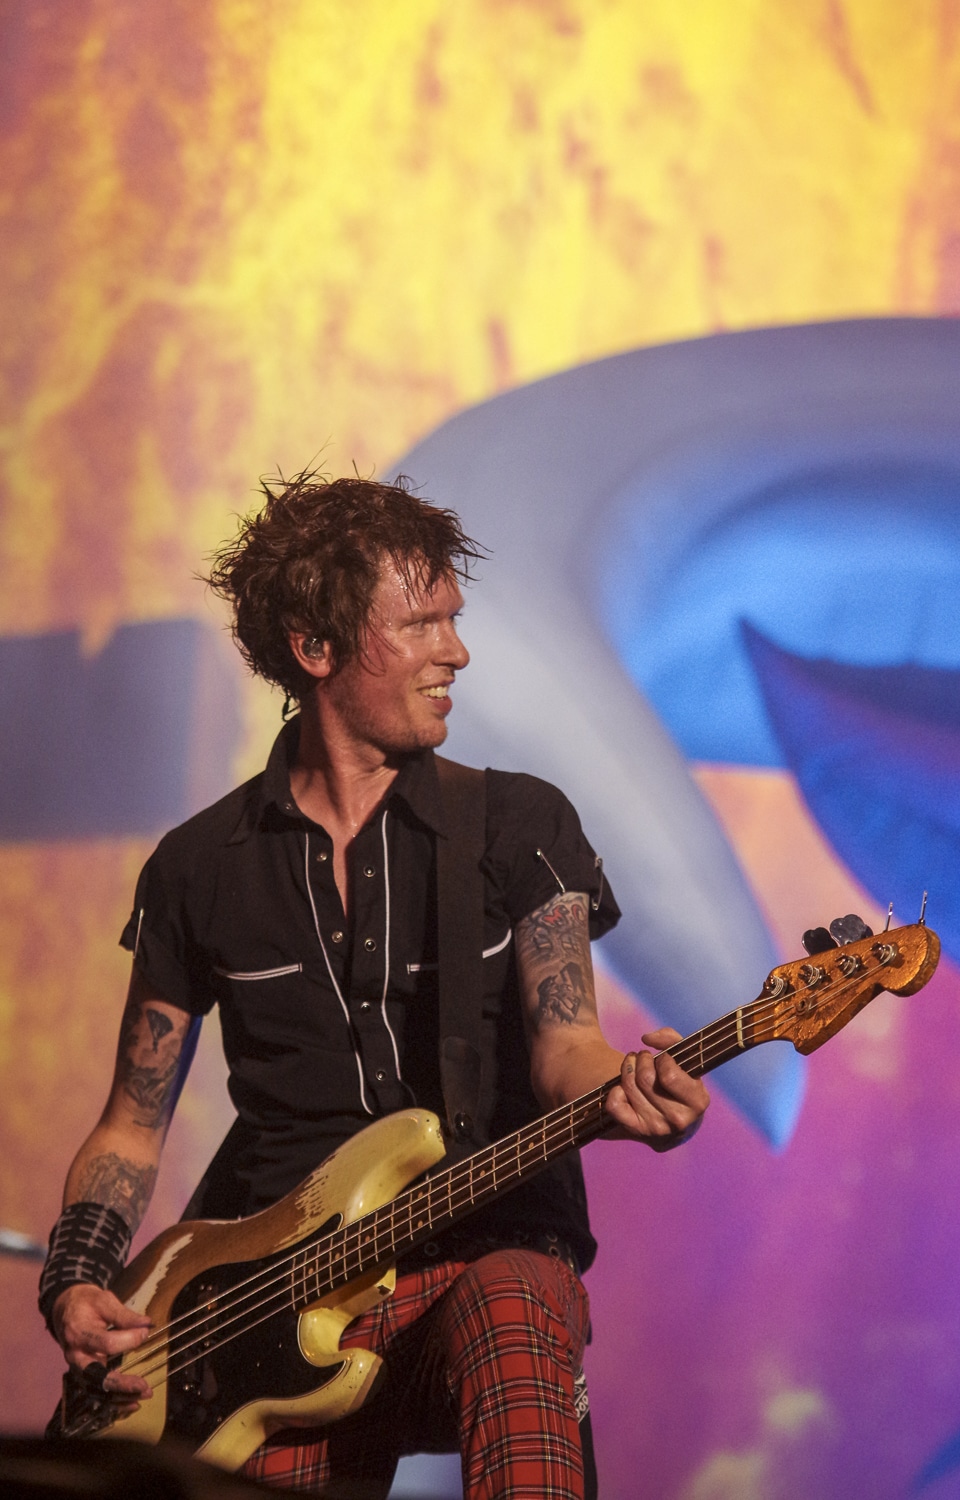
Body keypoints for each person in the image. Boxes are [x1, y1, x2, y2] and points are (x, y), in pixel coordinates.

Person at [39, 473, 710, 1499]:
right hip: (265, 1313)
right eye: (420, 624)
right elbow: (131, 1125)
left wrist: (627, 1090)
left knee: (517, 1303)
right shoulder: (196, 867)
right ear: (315, 649)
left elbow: (567, 1047)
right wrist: (77, 1279)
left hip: (479, 1261)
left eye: (455, 619)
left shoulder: (518, 824)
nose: (457, 652)